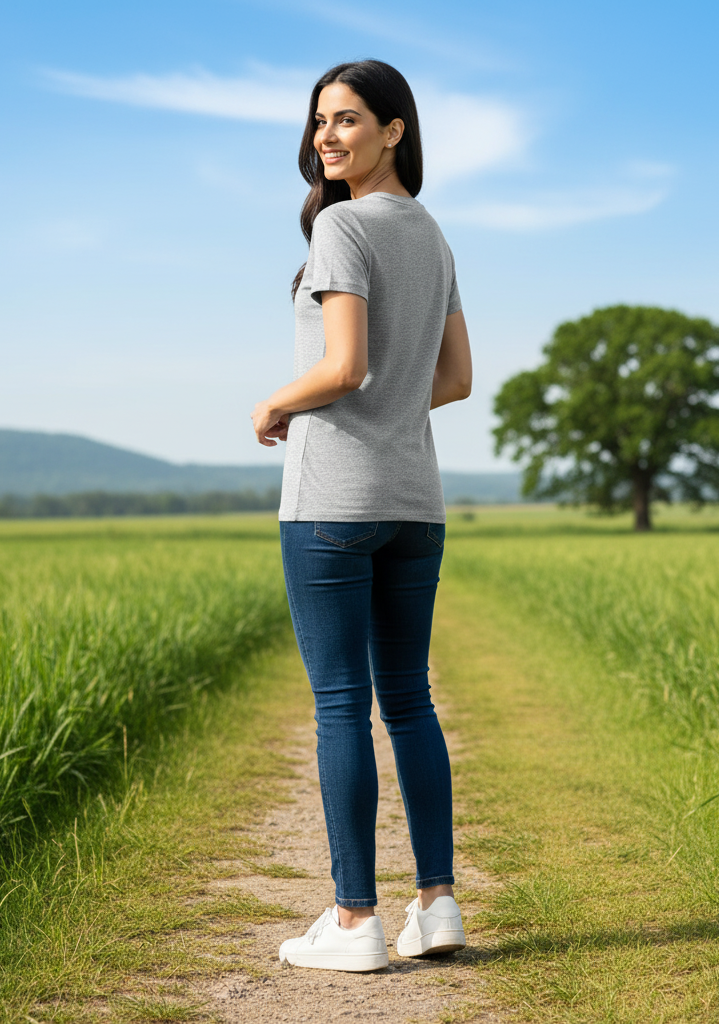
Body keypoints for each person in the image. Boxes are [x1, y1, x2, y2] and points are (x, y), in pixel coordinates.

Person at [251, 58, 472, 972]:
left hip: (332, 502)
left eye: (348, 120)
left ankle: (353, 923)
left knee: (342, 704)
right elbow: (455, 380)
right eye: (319, 122)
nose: (327, 137)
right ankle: (439, 904)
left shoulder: (342, 225)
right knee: (410, 702)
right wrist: (388, 413)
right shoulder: (432, 234)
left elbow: (342, 367)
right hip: (413, 504)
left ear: (395, 131)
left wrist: (276, 405)